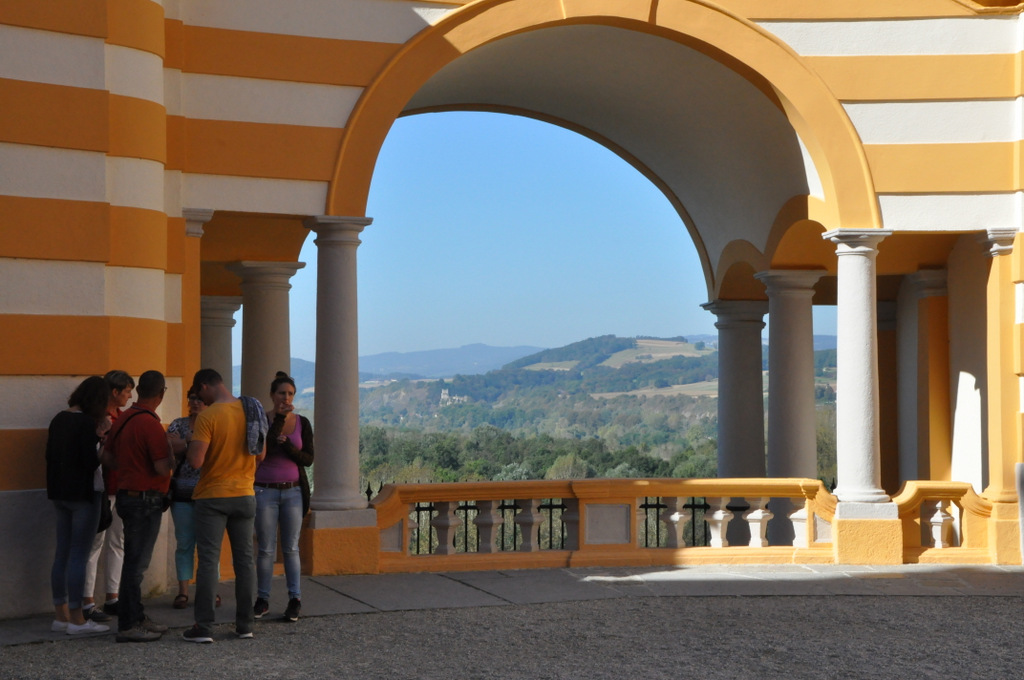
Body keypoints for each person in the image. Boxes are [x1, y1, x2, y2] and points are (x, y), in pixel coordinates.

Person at [182, 368, 267, 643]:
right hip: (244, 493)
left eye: (198, 394)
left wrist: (187, 444)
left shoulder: (208, 416)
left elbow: (196, 461)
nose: (199, 399)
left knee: (208, 561)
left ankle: (204, 627)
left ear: (205, 387)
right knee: (245, 561)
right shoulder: (250, 411)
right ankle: (245, 625)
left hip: (212, 496)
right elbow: (261, 454)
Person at [103, 370, 172, 642]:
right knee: (136, 565)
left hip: (125, 495)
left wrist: (129, 469)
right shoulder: (151, 425)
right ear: (161, 393)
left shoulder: (123, 419)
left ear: (140, 390)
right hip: (146, 500)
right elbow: (160, 467)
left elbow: (105, 457)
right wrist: (175, 457)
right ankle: (129, 624)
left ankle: (137, 616)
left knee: (132, 560)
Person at [47, 376, 112, 635]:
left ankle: (60, 615)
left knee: (62, 553)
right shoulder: (86, 423)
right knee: (79, 555)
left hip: (59, 493)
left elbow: (50, 456)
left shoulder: (58, 419)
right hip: (83, 495)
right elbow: (91, 462)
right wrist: (103, 439)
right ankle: (77, 619)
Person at [254, 372, 314, 622]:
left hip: (293, 492)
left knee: (290, 548)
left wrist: (288, 445)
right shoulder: (263, 420)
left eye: (290, 394)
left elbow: (308, 459)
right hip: (265, 490)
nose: (286, 397)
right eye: (281, 393)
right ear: (272, 395)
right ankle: (263, 599)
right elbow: (262, 449)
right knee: (266, 549)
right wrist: (278, 419)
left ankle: (295, 599)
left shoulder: (302, 422)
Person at [83, 370, 135, 620]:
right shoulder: (97, 419)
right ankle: (87, 600)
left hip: (119, 486)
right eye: (126, 391)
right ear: (114, 392)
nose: (129, 395)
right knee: (95, 543)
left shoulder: (123, 417)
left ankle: (112, 596)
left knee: (117, 541)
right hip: (102, 488)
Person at [166, 390, 207, 609]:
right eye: (192, 398)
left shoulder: (213, 423)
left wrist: (186, 442)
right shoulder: (177, 423)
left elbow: (212, 451)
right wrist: (194, 442)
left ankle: (209, 590)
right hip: (181, 494)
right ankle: (183, 592)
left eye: (199, 398)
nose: (195, 402)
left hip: (208, 493)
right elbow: (169, 447)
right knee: (184, 543)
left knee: (208, 545)